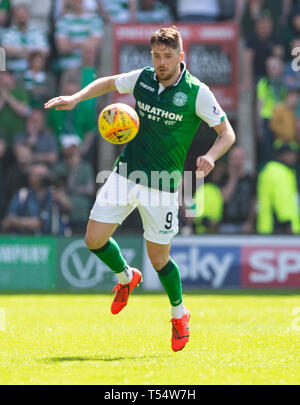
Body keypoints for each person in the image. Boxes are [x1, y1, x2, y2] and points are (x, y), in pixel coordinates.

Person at [44, 26, 236, 352]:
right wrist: (76, 98)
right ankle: (125, 277)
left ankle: (179, 313)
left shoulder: (196, 93)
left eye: (167, 56)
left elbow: (227, 133)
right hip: (124, 174)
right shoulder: (144, 78)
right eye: (156, 56)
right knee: (93, 240)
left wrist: (210, 156)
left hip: (162, 186)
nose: (161, 63)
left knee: (159, 260)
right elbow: (108, 82)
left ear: (181, 57)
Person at [2, 162, 72, 235]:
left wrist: (61, 197)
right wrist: (25, 222)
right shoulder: (22, 194)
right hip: (30, 241)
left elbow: (70, 209)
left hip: (54, 239)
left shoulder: (55, 193)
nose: (41, 178)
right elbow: (7, 220)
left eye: (44, 175)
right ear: (30, 177)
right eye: (38, 175)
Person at [257, 142, 300, 234]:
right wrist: (288, 224)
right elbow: (282, 200)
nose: (294, 157)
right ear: (282, 155)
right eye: (290, 154)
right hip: (281, 228)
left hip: (267, 226)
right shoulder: (279, 171)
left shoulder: (269, 169)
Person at [1, 3, 49, 76]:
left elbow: (45, 51)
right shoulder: (8, 33)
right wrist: (32, 52)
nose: (22, 17)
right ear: (14, 16)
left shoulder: (36, 33)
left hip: (33, 71)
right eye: (19, 15)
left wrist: (19, 51)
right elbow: (5, 50)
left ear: (28, 16)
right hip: (13, 72)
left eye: (23, 14)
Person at [219, 146, 256, 234]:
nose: (237, 161)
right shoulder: (223, 178)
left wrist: (250, 222)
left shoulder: (250, 179)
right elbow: (224, 198)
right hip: (227, 224)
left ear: (244, 159)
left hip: (244, 224)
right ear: (230, 160)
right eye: (235, 158)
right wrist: (233, 178)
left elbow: (253, 202)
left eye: (239, 158)